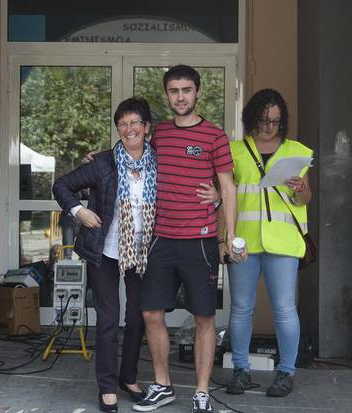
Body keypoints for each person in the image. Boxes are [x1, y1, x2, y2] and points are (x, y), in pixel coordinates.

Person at [134, 65, 241, 413]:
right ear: (167, 95)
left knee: (204, 318)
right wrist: (98, 159)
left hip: (200, 240)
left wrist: (229, 236)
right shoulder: (159, 134)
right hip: (160, 239)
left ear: (197, 93)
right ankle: (163, 385)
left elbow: (227, 185)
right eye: (174, 91)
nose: (180, 96)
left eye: (186, 90)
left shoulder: (214, 136)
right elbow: (131, 152)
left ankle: (201, 392)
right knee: (151, 312)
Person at [52, 98, 155, 413]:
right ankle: (108, 387)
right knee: (109, 319)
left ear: (147, 127)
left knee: (137, 318)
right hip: (105, 252)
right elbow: (62, 186)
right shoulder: (103, 162)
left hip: (143, 252)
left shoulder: (159, 163)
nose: (129, 129)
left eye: (135, 122)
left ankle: (129, 378)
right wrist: (79, 211)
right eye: (122, 124)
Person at [222, 89, 312, 397]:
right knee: (241, 309)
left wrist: (300, 188)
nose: (269, 126)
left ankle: (286, 373)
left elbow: (305, 198)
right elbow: (223, 193)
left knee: (285, 309)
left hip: (283, 243)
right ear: (251, 118)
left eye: (275, 121)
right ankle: (240, 371)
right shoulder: (233, 150)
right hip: (243, 242)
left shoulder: (296, 151)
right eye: (263, 120)